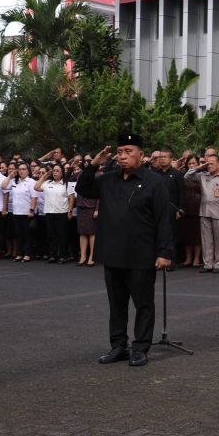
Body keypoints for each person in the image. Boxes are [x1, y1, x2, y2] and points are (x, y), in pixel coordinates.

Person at [76, 133, 172, 367]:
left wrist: (164, 252)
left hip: (142, 253)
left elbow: (164, 219)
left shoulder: (154, 181)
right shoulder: (108, 179)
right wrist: (93, 164)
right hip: (113, 252)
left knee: (143, 304)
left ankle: (140, 348)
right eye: (120, 151)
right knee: (116, 305)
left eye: (128, 151)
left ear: (141, 154)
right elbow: (83, 188)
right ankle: (118, 346)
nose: (123, 156)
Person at [185, 154, 219, 274]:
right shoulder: (202, 176)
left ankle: (218, 264)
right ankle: (208, 264)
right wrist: (200, 167)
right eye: (208, 163)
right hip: (205, 211)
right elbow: (187, 176)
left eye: (212, 163)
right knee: (206, 240)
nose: (210, 166)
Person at [34, 163, 73, 264]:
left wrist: (70, 210)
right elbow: (36, 187)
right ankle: (53, 255)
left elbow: (71, 198)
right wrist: (44, 176)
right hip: (49, 212)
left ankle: (63, 256)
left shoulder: (66, 183)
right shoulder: (47, 183)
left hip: (62, 212)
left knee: (62, 235)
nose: (55, 172)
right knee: (51, 235)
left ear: (62, 173)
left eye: (57, 171)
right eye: (54, 171)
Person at [153, 148, 184, 271]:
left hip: (172, 209)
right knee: (157, 234)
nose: (162, 159)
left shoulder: (177, 174)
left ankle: (171, 261)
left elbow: (182, 193)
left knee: (171, 235)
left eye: (165, 157)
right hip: (156, 209)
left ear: (171, 159)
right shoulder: (155, 174)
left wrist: (180, 209)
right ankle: (158, 259)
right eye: (160, 157)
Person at [2, 162, 37, 262]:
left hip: (26, 212)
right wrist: (10, 176)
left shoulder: (31, 182)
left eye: (23, 169)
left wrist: (31, 210)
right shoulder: (14, 181)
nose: (21, 171)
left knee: (27, 234)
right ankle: (19, 253)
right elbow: (3, 186)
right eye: (20, 169)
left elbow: (34, 197)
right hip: (16, 212)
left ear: (28, 171)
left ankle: (27, 254)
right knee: (18, 234)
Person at [74, 156, 99, 266]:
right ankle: (83, 256)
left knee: (92, 233)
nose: (87, 163)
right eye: (85, 161)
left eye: (89, 161)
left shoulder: (98, 175)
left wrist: (97, 209)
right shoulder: (80, 175)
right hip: (81, 207)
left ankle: (92, 257)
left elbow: (100, 195)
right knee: (82, 233)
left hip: (91, 207)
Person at [179, 155, 203, 268]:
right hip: (185, 206)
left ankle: (197, 258)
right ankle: (188, 258)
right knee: (186, 233)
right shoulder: (183, 175)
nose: (192, 166)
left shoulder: (202, 175)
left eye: (194, 163)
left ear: (198, 164)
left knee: (197, 234)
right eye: (190, 164)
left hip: (198, 206)